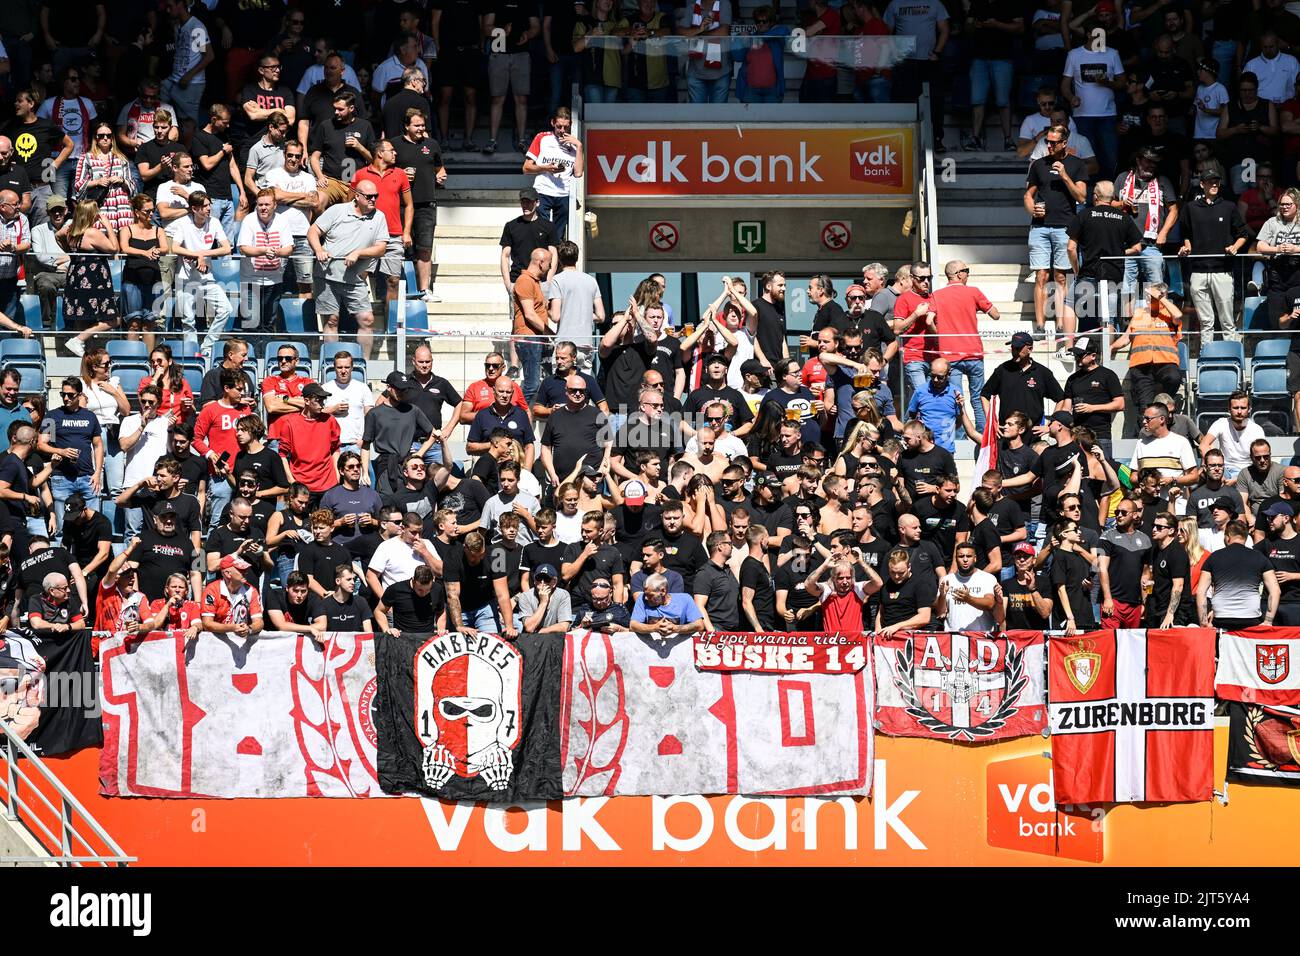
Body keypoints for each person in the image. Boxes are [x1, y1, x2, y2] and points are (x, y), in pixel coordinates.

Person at [307, 180, 389, 359]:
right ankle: (331, 364)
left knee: (367, 319)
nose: (373, 199)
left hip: (355, 278)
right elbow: (313, 231)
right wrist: (319, 249)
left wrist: (359, 252)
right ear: (357, 196)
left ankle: (363, 365)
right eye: (369, 196)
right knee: (331, 320)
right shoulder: (338, 210)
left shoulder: (379, 217)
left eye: (376, 196)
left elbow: (381, 247)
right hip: (327, 274)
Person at [1023, 125, 1088, 336]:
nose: (1049, 145)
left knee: (1061, 277)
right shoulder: (1038, 165)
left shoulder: (1076, 164)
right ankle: (1040, 326)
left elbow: (1081, 197)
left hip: (1064, 226)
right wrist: (1033, 209)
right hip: (1040, 227)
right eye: (1047, 142)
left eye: (1053, 142)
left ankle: (1061, 325)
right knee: (1041, 275)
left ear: (1064, 143)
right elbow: (1027, 195)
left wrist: (1065, 175)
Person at [1177, 169, 1249, 342]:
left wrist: (1235, 247)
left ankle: (1232, 359)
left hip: (1222, 270)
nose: (1214, 184)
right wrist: (1186, 247)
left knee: (1227, 321)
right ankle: (1206, 359)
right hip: (1198, 271)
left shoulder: (1229, 206)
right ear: (1202, 184)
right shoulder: (1191, 208)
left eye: (1217, 181)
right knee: (1206, 322)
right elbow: (1185, 233)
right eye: (1210, 181)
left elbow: (1243, 234)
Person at [1066, 180, 1143, 336]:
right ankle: (1108, 353)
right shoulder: (1123, 217)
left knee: (1069, 303)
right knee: (1108, 316)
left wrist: (1076, 270)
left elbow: (1070, 248)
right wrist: (1119, 253)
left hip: (1088, 273)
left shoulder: (1085, 215)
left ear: (1095, 196)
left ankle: (1068, 347)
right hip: (1114, 275)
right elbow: (1137, 248)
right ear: (1113, 197)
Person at [171, 191, 234, 361]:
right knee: (188, 321)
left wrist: (202, 254)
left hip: (207, 278)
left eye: (209, 205)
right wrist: (195, 255)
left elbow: (227, 248)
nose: (209, 209)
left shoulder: (214, 222)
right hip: (185, 279)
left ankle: (207, 346)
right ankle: (192, 355)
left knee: (226, 309)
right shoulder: (183, 223)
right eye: (205, 206)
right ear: (194, 208)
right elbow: (175, 248)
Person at [351, 139, 412, 310]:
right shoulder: (360, 174)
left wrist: (406, 232)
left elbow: (409, 205)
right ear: (380, 153)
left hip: (393, 235)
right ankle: (359, 322)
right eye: (391, 150)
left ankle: (391, 328)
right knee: (360, 277)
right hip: (366, 234)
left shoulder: (400, 174)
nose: (395, 153)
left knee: (393, 281)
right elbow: (349, 204)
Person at [393, 109, 447, 302]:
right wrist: (400, 173)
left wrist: (441, 176)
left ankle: (424, 290)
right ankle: (401, 290)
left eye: (423, 125)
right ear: (406, 126)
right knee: (400, 247)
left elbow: (439, 167)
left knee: (424, 248)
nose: (420, 129)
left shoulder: (431, 144)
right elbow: (383, 168)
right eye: (416, 125)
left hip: (426, 203)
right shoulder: (394, 144)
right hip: (400, 204)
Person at [38, 377, 104, 535]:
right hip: (62, 477)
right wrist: (60, 451)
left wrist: (97, 473)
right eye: (63, 394)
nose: (66, 398)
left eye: (70, 395)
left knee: (93, 526)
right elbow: (41, 444)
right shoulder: (52, 416)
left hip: (88, 476)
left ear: (80, 395)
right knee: (63, 528)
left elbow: (98, 445)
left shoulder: (89, 416)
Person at [1115, 146, 1179, 292]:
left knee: (1157, 289)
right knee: (1126, 290)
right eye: (1148, 161)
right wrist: (1122, 203)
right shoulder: (1123, 178)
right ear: (1138, 160)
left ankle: (1157, 316)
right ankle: (1128, 316)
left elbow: (1174, 210)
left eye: (1154, 163)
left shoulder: (1163, 181)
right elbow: (1110, 203)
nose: (1151, 165)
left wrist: (1163, 233)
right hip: (1127, 245)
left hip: (1151, 244)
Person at [1111, 283, 1183, 415]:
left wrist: (1161, 298)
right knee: (1145, 408)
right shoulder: (1139, 313)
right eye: (1148, 296)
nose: (1149, 299)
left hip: (1166, 362)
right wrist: (1110, 347)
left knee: (1174, 378)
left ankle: (1165, 404)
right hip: (1141, 366)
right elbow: (1126, 338)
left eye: (1152, 297)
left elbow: (1178, 316)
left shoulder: (1169, 313)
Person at [1197, 520, 1278, 629]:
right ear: (1245, 537)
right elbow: (1275, 591)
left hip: (1222, 618)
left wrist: (1203, 622)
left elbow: (1201, 591)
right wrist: (1268, 621)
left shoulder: (1213, 557)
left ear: (1228, 536)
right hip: (1251, 618)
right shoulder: (1260, 558)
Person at [483, 0, 540, 155]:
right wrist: (501, 31)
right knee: (497, 98)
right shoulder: (494, 3)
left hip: (521, 54)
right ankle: (492, 140)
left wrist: (527, 34)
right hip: (498, 53)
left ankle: (522, 140)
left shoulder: (528, 3)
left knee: (521, 98)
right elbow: (486, 28)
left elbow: (536, 27)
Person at [265, 139, 319, 298]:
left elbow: (314, 201)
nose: (293, 159)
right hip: (278, 235)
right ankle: (273, 322)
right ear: (284, 154)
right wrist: (303, 195)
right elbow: (274, 196)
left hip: (303, 235)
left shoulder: (308, 177)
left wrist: (284, 197)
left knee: (306, 284)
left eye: (297, 156)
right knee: (273, 283)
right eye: (290, 155)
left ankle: (305, 321)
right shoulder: (273, 174)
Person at [235, 188, 293, 331]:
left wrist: (277, 252)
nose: (263, 208)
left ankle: (265, 350)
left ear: (274, 205)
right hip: (251, 280)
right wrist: (264, 250)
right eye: (260, 205)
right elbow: (243, 248)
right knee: (250, 322)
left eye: (267, 205)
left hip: (274, 279)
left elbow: (289, 248)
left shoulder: (282, 220)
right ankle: (251, 352)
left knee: (269, 322)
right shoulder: (249, 219)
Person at [522, 106, 583, 240]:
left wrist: (579, 147)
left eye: (565, 127)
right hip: (542, 191)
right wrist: (546, 168)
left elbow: (578, 173)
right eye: (559, 126)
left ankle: (554, 259)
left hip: (563, 194)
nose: (562, 131)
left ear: (570, 125)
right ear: (552, 123)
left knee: (558, 237)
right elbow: (526, 168)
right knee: (541, 234)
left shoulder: (574, 144)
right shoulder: (542, 138)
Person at [982, 331, 1065, 427]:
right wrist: (991, 422)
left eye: (1018, 348)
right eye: (1013, 348)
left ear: (1030, 349)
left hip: (1033, 435)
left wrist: (1050, 425)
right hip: (1007, 433)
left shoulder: (1042, 372)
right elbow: (984, 394)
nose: (1014, 352)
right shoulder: (1003, 370)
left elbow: (1060, 398)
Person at [277, 384, 342, 502]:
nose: (322, 404)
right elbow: (282, 455)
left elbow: (335, 449)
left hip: (328, 484)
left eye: (323, 400)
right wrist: (291, 480)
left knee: (327, 520)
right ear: (306, 401)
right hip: (302, 486)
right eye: (318, 400)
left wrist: (337, 475)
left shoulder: (329, 420)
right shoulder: (290, 423)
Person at [1060, 336, 1124, 454]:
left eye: (1081, 354)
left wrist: (1092, 408)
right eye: (1076, 354)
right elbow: (1066, 408)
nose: (1077, 357)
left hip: (1100, 436)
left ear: (1093, 356)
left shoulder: (1107, 375)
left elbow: (1120, 404)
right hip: (1077, 435)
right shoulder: (1072, 379)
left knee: (1103, 470)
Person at [1098, 496, 1152, 627]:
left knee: (1131, 646)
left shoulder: (1145, 539)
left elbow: (1145, 574)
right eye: (1117, 512)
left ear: (1134, 515)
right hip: (1113, 601)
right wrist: (1107, 598)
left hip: (1135, 604)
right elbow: (1102, 568)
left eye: (1123, 512)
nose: (1119, 516)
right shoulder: (1106, 536)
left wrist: (1144, 603)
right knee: (1110, 643)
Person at [512, 246, 553, 405]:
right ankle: (514, 415)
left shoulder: (534, 282)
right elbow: (529, 314)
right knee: (532, 385)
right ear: (541, 262)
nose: (550, 267)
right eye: (548, 263)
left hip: (535, 338)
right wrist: (549, 333)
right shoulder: (525, 281)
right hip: (529, 338)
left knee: (537, 384)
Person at [1200, 392, 1264, 481]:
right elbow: (1204, 445)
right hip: (1224, 469)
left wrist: (1238, 479)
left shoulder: (1257, 430)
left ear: (1249, 409)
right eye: (1235, 408)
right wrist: (1215, 466)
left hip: (1248, 472)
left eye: (1243, 408)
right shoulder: (1221, 423)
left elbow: (1261, 458)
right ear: (1229, 409)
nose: (1239, 411)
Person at [938, 542, 1001, 631]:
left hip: (980, 638)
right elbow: (940, 613)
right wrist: (942, 596)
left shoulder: (987, 578)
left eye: (969, 556)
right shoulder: (947, 580)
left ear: (975, 558)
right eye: (961, 556)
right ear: (956, 559)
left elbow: (990, 604)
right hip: (954, 637)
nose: (965, 559)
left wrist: (968, 599)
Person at [200, 553, 264, 637]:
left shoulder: (251, 590)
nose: (246, 572)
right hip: (215, 642)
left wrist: (249, 629)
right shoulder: (212, 589)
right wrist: (232, 628)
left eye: (245, 569)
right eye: (241, 570)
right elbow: (207, 624)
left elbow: (259, 622)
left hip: (240, 640)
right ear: (227, 573)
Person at [1049, 520, 1096, 633]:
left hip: (1086, 617)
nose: (1079, 532)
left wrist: (1088, 585)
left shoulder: (1079, 556)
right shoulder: (1059, 557)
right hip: (1069, 622)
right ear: (1064, 534)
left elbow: (1078, 583)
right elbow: (1061, 589)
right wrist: (1070, 618)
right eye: (1075, 530)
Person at [630, 572, 706, 636]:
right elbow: (633, 625)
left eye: (650, 595)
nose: (646, 598)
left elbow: (699, 625)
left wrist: (675, 628)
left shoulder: (685, 599)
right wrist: (654, 628)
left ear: (663, 591)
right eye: (645, 594)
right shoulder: (642, 599)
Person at [514, 563, 574, 634]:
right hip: (531, 641)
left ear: (554, 582)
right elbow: (529, 628)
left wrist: (539, 632)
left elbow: (564, 627)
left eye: (546, 579)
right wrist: (543, 603)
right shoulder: (525, 596)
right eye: (539, 578)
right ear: (534, 581)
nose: (542, 582)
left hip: (553, 639)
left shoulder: (563, 595)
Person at [265, 570, 327, 635]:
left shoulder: (313, 598)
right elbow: (281, 626)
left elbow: (322, 626)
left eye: (303, 591)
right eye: (295, 591)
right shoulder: (274, 595)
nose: (299, 595)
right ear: (287, 588)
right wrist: (310, 629)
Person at [318, 565, 374, 632]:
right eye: (349, 579)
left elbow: (368, 633)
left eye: (354, 579)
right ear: (338, 581)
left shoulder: (361, 602)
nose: (353, 582)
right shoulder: (324, 604)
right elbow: (320, 632)